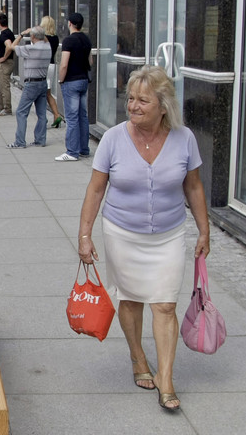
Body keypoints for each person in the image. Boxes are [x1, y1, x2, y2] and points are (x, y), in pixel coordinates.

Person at [76, 65, 210, 412]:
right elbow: (95, 189)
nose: (133, 106)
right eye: (130, 99)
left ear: (163, 106)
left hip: (168, 234)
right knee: (132, 300)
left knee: (165, 304)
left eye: (142, 101)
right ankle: (138, 356)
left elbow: (193, 186)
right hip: (122, 233)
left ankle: (166, 379)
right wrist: (85, 235)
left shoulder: (184, 139)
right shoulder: (113, 139)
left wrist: (204, 228)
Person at [5, 25, 53, 148]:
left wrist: (21, 34)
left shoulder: (30, 49)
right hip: (43, 83)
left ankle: (20, 142)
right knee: (42, 114)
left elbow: (11, 47)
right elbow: (45, 39)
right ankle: (40, 140)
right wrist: (40, 32)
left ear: (32, 36)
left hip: (31, 83)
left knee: (21, 112)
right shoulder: (48, 47)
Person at [56, 12, 92, 161]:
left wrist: (60, 80)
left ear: (70, 23)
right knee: (83, 116)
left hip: (71, 81)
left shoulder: (68, 41)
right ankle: (84, 148)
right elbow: (90, 61)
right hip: (83, 80)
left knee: (71, 117)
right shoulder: (86, 39)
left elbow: (64, 64)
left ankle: (71, 151)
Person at [39, 15, 65, 128]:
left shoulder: (43, 38)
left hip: (43, 66)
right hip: (52, 65)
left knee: (41, 93)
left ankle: (43, 118)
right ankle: (56, 114)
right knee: (48, 92)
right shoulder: (55, 38)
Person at [0, 14, 16, 115]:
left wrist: (4, 57)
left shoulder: (5, 34)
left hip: (5, 63)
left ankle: (7, 108)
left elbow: (9, 46)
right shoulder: (9, 32)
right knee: (1, 85)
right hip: (7, 62)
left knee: (4, 86)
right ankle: (1, 106)